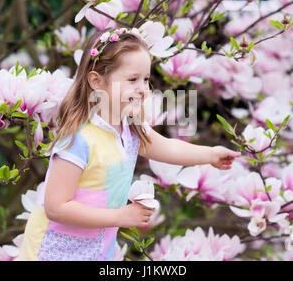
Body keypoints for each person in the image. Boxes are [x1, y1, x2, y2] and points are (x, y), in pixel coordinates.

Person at [17, 27, 241, 261]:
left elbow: (168, 147)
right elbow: (56, 207)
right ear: (96, 81)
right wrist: (120, 216)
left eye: (145, 79)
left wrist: (210, 154)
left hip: (93, 249)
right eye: (132, 79)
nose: (143, 89)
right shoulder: (78, 139)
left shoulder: (130, 129)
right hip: (52, 251)